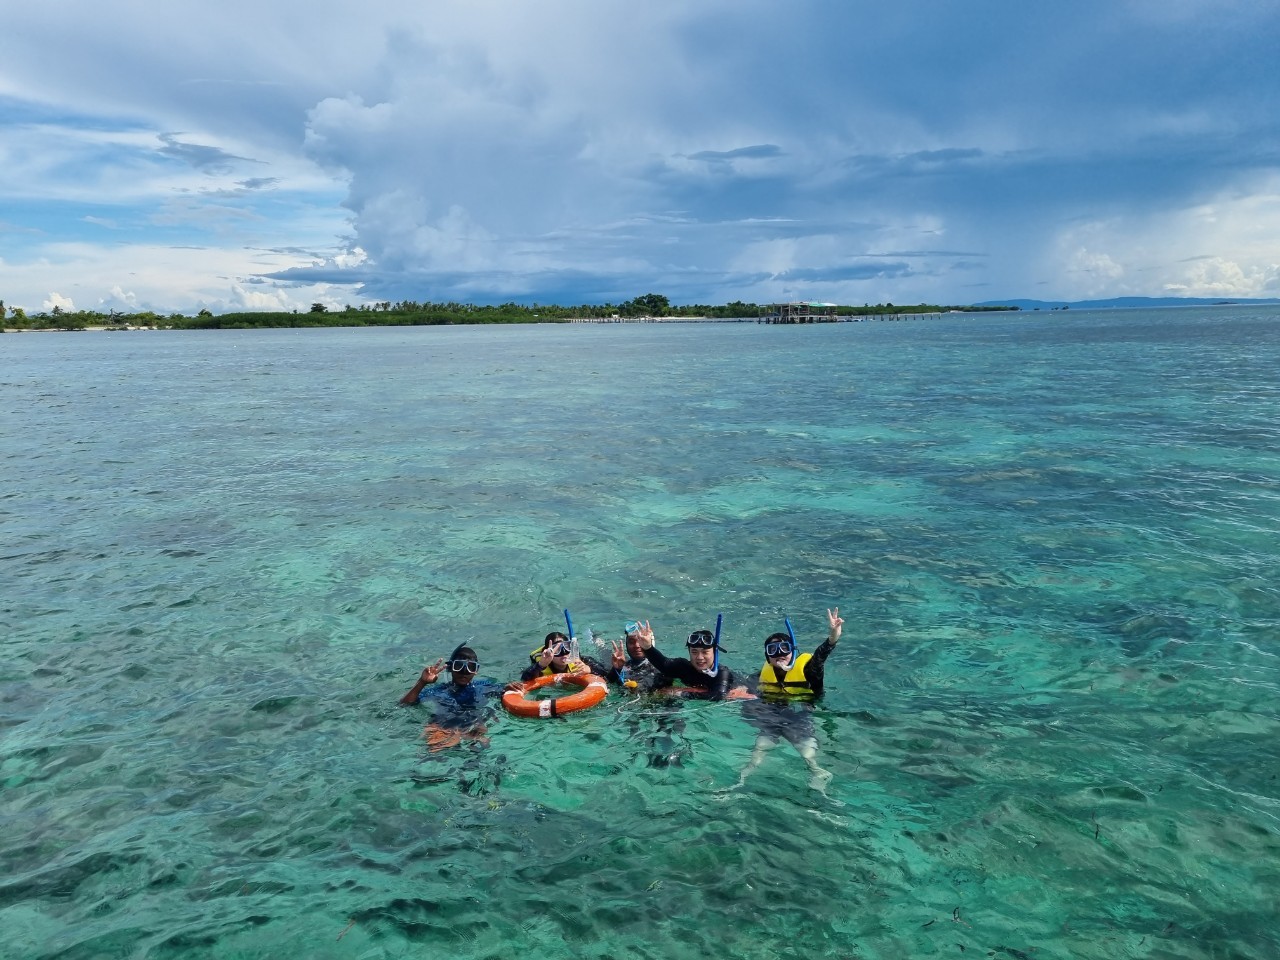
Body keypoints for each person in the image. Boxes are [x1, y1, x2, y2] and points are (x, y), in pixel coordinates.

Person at [734, 607, 843, 793]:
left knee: (806, 749)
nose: (779, 653)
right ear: (768, 658)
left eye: (785, 648)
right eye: (773, 650)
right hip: (774, 712)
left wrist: (833, 636)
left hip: (802, 711)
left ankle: (817, 772)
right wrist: (740, 690)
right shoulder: (763, 674)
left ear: (793, 650)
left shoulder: (809, 668)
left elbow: (820, 655)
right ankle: (744, 777)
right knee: (760, 746)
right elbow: (746, 684)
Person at [400, 644, 503, 753]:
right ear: (450, 668)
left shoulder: (484, 686)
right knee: (429, 754)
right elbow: (405, 704)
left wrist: (515, 686)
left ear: (476, 670)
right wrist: (422, 682)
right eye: (458, 666)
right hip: (443, 728)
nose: (464, 672)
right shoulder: (439, 691)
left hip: (474, 728)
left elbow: (511, 690)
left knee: (482, 748)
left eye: (470, 667)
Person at [631, 621, 746, 700]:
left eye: (705, 652)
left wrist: (683, 692)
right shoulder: (683, 666)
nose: (700, 657)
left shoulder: (722, 673)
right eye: (694, 652)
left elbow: (718, 696)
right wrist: (647, 647)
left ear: (715, 653)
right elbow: (663, 664)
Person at [514, 630, 611, 685]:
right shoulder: (539, 667)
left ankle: (599, 643)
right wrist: (541, 664)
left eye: (567, 647)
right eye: (556, 650)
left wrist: (589, 669)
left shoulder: (579, 661)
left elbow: (607, 673)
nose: (564, 652)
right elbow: (524, 680)